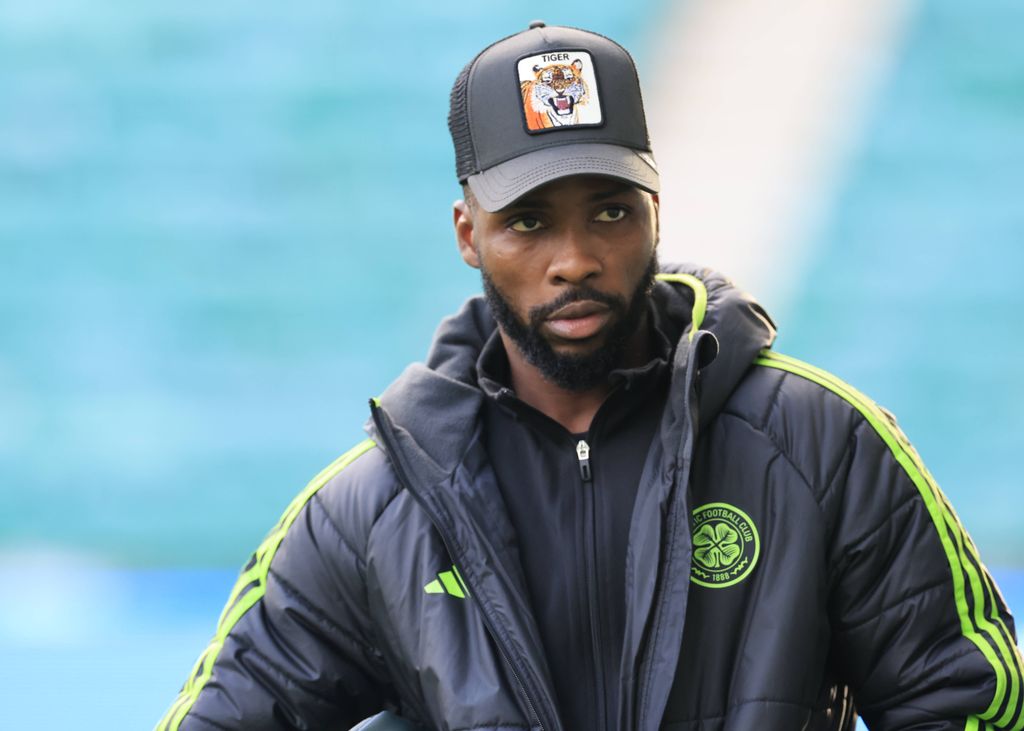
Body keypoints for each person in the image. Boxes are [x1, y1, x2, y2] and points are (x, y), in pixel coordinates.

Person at [157, 22, 1024, 731]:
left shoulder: (822, 443)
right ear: (468, 234)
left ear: (657, 211)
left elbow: (970, 703)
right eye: (528, 221)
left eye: (608, 211)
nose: (573, 259)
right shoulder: (372, 511)